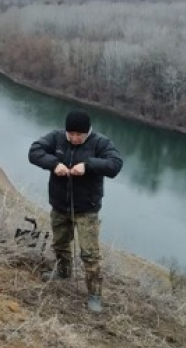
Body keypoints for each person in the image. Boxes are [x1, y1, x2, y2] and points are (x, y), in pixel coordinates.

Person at [28, 109, 123, 312]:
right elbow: (34, 152)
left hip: (87, 209)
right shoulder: (56, 138)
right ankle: (63, 272)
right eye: (70, 134)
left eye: (78, 134)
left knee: (90, 255)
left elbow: (115, 165)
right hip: (60, 205)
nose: (74, 138)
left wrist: (87, 166)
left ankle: (95, 295)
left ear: (88, 131)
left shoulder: (100, 142)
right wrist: (54, 164)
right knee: (60, 243)